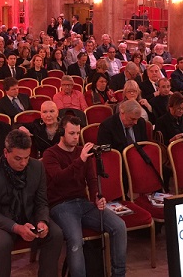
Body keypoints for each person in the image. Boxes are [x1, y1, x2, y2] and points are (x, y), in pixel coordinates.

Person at [43, 116, 127, 277]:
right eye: (71, 133)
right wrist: (80, 159)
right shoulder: (50, 154)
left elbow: (92, 178)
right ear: (62, 133)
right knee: (75, 240)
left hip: (83, 203)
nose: (76, 137)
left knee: (119, 226)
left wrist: (96, 196)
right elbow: (60, 178)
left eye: (78, 133)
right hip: (61, 205)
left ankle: (119, 274)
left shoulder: (82, 152)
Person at [0, 129, 63, 277]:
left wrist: (42, 221)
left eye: (27, 157)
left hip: (28, 214)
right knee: (2, 243)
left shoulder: (37, 167)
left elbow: (41, 201)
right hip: (0, 219)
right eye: (18, 158)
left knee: (55, 233)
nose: (23, 163)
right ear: (6, 153)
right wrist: (17, 228)